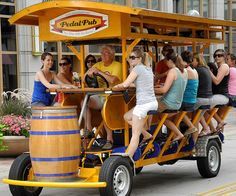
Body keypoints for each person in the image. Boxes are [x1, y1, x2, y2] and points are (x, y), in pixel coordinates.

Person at [113, 48, 158, 158]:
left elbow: (125, 84)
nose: (130, 59)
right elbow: (139, 84)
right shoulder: (147, 69)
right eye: (129, 57)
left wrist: (116, 86)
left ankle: (128, 156)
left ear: (140, 59)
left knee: (135, 134)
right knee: (127, 117)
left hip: (143, 104)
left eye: (133, 57)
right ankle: (146, 134)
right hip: (152, 102)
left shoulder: (137, 69)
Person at [82, 45, 122, 149]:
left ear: (112, 55)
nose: (103, 55)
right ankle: (89, 129)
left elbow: (112, 80)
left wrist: (99, 72)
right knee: (84, 102)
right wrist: (89, 75)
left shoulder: (117, 65)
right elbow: (83, 79)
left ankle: (109, 139)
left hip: (114, 97)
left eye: (106, 53)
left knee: (104, 109)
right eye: (102, 53)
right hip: (100, 95)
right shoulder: (97, 64)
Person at [155, 49, 188, 142]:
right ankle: (177, 134)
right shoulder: (184, 71)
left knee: (149, 108)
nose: (166, 64)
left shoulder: (172, 71)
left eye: (166, 62)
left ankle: (148, 133)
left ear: (170, 61)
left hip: (168, 103)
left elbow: (163, 90)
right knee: (161, 116)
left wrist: (150, 89)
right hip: (178, 103)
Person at [192, 53, 213, 136]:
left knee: (192, 116)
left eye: (193, 60)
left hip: (201, 98)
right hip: (208, 98)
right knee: (198, 115)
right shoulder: (206, 69)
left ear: (197, 60)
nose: (191, 62)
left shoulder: (197, 70)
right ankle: (206, 128)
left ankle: (194, 141)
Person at [209, 49, 230, 133]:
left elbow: (217, 81)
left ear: (224, 57)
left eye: (220, 55)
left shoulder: (224, 66)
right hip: (220, 95)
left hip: (222, 96)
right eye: (215, 55)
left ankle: (219, 124)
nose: (217, 57)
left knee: (204, 107)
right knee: (209, 113)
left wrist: (209, 72)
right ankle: (218, 133)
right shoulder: (220, 67)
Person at [180, 51, 199, 142]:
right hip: (192, 100)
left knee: (175, 113)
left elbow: (179, 85)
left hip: (186, 100)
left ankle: (190, 128)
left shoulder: (186, 71)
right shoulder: (194, 70)